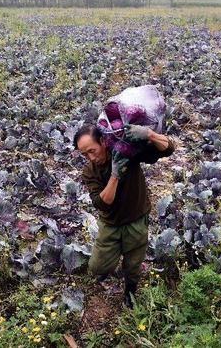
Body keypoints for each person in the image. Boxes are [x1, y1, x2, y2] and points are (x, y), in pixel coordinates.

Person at [73, 123, 176, 308]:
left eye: (92, 150)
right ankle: (111, 262)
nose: (91, 157)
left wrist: (150, 134)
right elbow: (102, 202)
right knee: (97, 267)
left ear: (103, 141)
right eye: (85, 154)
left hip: (136, 218)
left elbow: (168, 149)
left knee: (133, 265)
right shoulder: (90, 171)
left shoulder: (126, 152)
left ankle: (130, 292)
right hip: (110, 223)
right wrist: (115, 175)